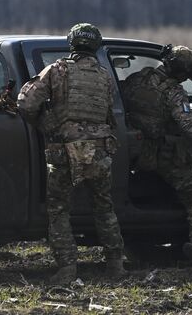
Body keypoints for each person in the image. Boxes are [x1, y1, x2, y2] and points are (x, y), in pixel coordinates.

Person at [17, 23, 126, 284]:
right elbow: (110, 114)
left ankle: (67, 269)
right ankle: (116, 266)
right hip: (99, 150)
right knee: (104, 209)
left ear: (71, 43)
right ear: (96, 46)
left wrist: (45, 122)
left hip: (65, 149)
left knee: (58, 210)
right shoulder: (104, 76)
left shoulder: (57, 70)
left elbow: (26, 103)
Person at [121, 45, 192, 266]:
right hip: (165, 155)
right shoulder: (173, 93)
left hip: (137, 152)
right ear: (182, 73)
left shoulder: (137, 79)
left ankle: (143, 246)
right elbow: (191, 129)